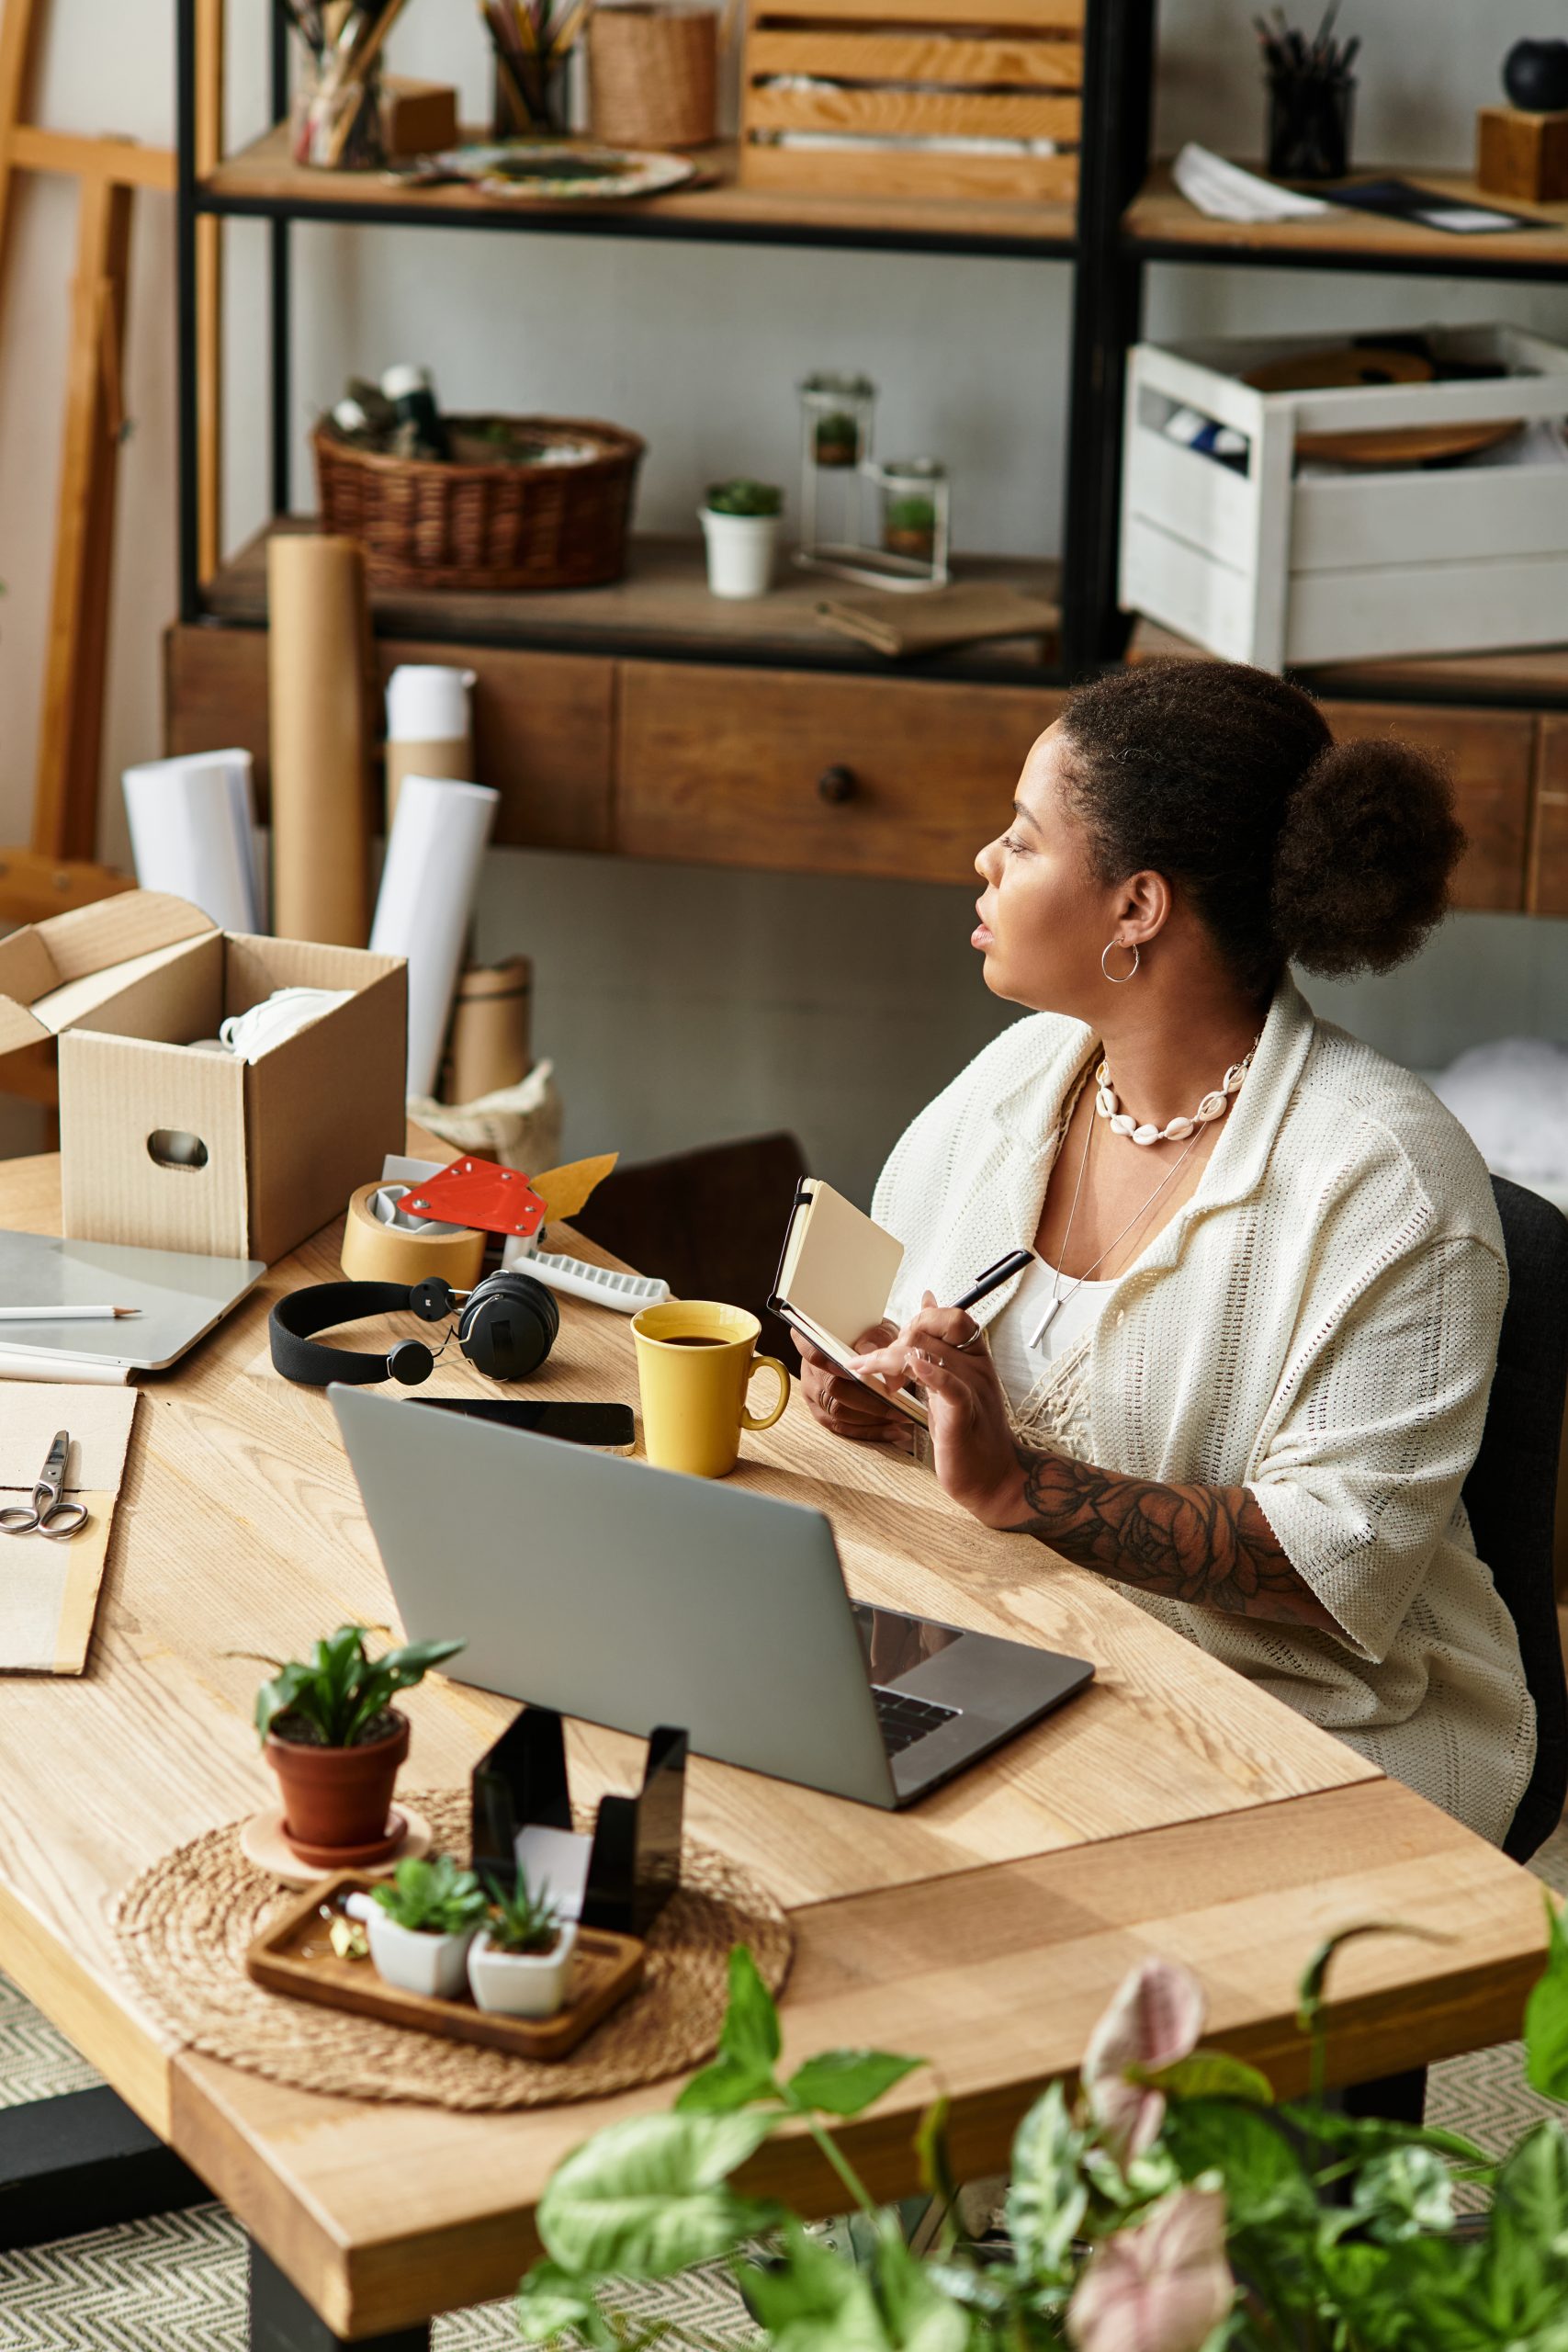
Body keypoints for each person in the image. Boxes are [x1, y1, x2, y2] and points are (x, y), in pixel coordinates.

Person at [797, 659, 1533, 1848]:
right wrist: (890, 1395)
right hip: (1020, 1651)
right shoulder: (1022, 1076)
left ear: (1138, 907)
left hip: (1298, 1733)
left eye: (1023, 840)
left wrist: (1020, 1485)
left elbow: (1339, 1557)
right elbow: (922, 1344)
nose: (986, 860)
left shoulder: (1388, 1184)